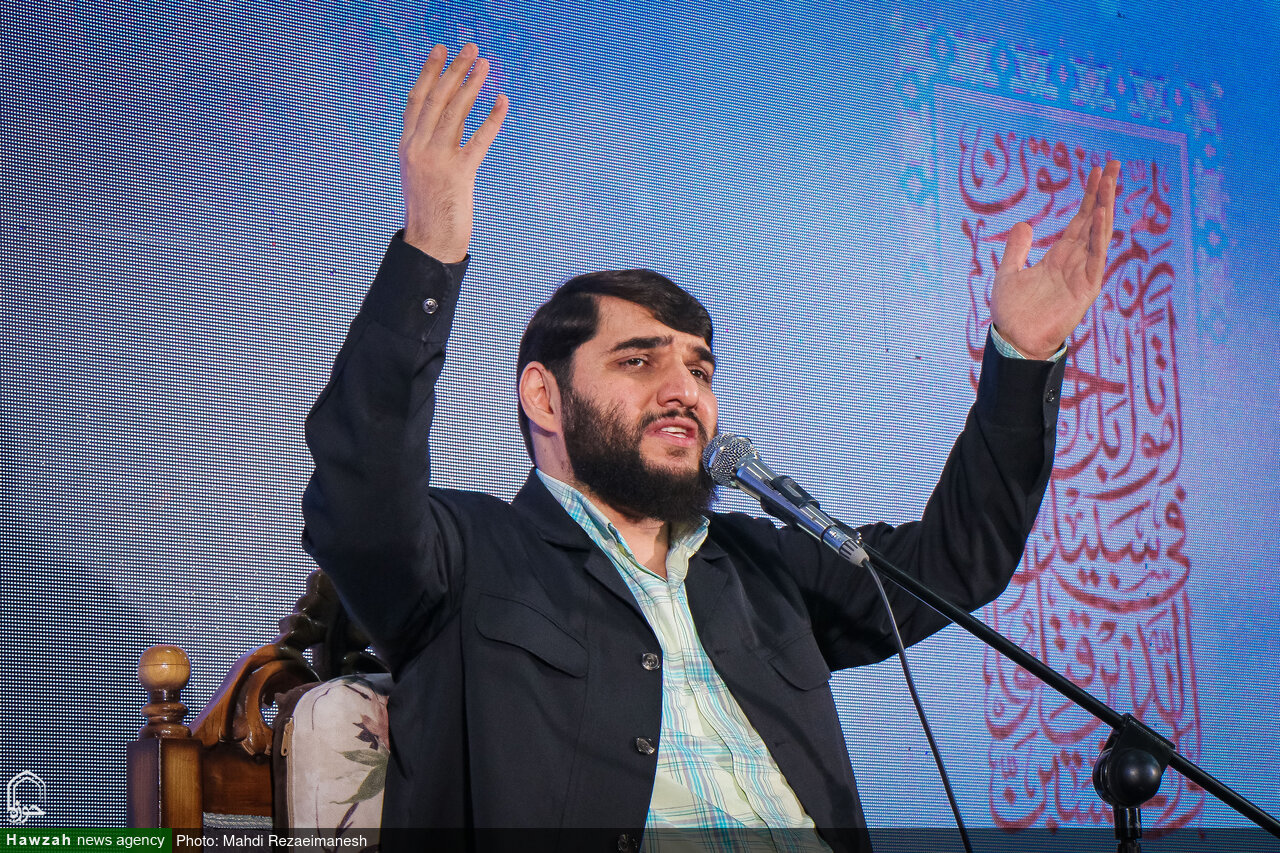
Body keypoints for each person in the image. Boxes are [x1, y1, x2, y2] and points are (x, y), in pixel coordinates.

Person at [301, 44, 1120, 853]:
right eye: (639, 360)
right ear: (545, 397)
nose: (684, 390)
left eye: (699, 368)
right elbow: (359, 499)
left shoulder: (760, 565)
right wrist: (430, 249)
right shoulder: (467, 556)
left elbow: (955, 561)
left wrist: (1022, 357)